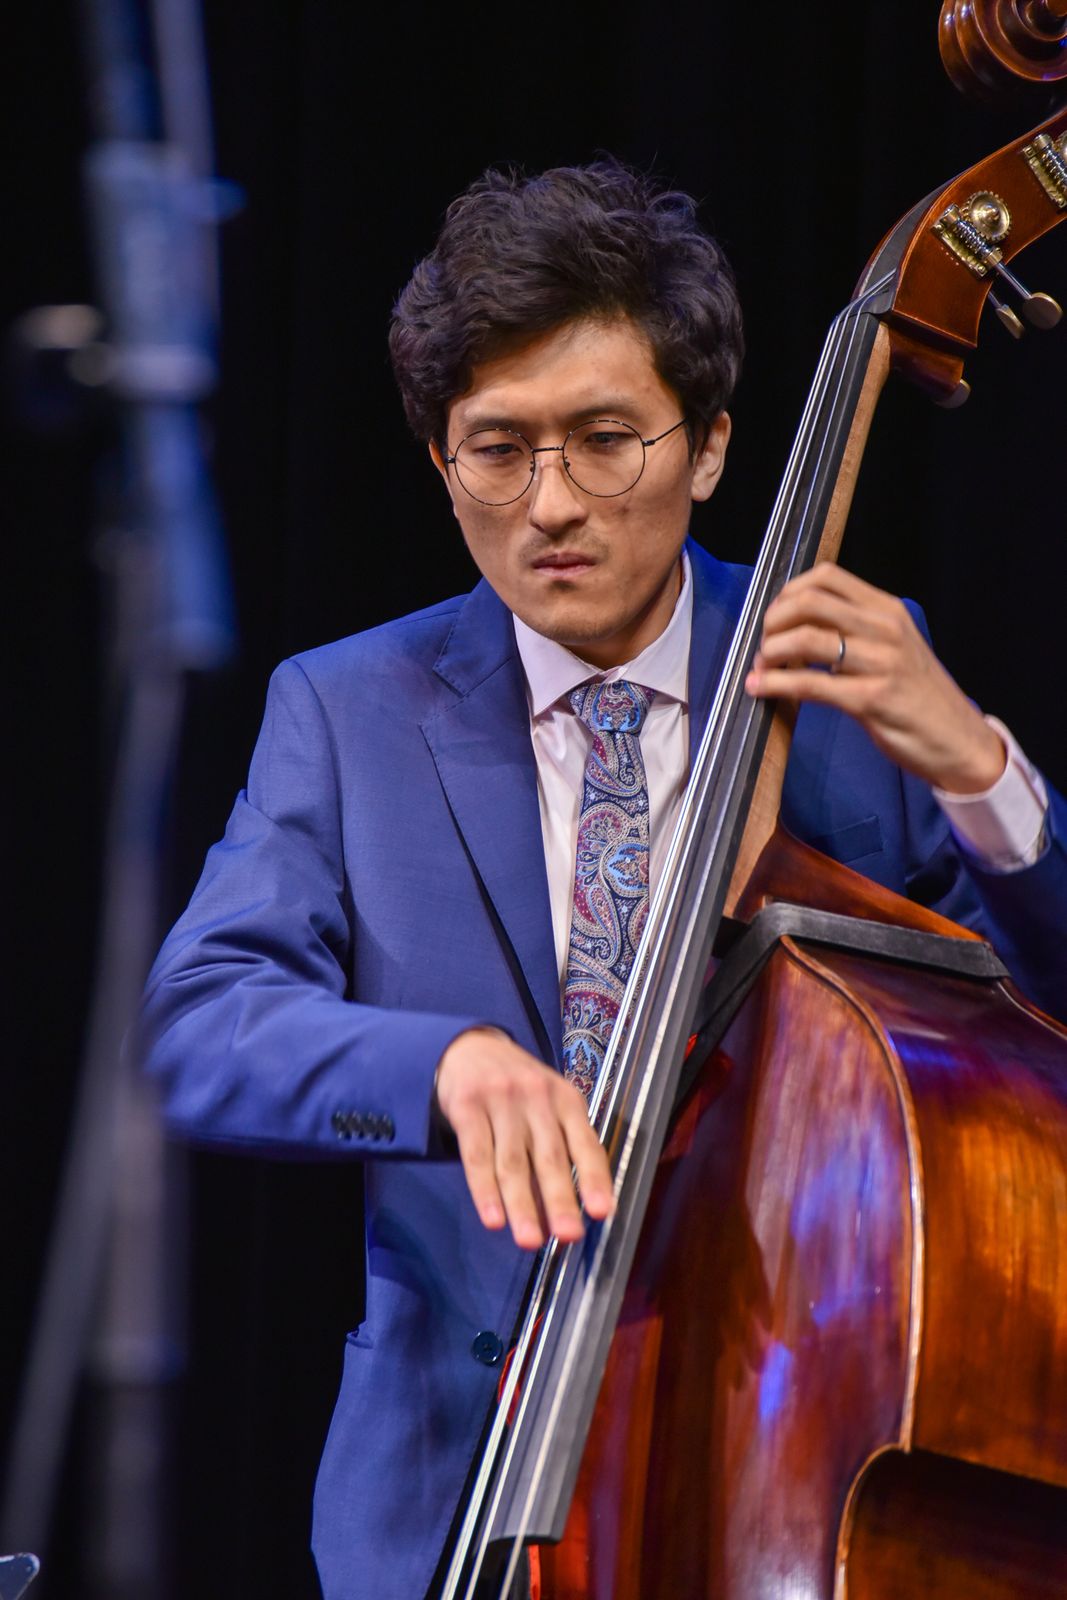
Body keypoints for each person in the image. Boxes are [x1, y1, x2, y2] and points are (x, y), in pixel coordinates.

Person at [140, 161, 1067, 1600]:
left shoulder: (852, 683)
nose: (550, 505)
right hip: (449, 1501)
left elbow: (1037, 1030)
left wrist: (980, 770)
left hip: (782, 1467)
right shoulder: (347, 707)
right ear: (441, 461)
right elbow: (200, 1027)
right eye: (497, 451)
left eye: (605, 440)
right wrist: (441, 1067)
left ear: (708, 447)